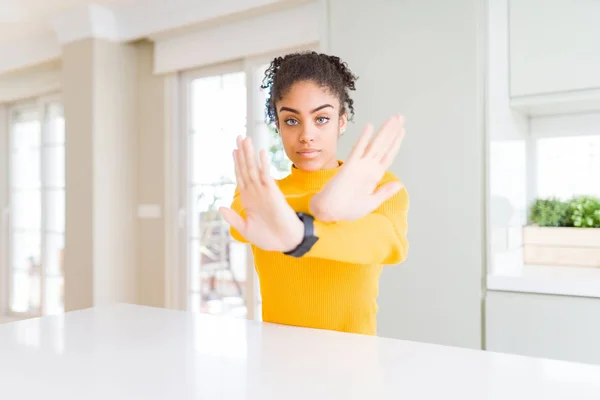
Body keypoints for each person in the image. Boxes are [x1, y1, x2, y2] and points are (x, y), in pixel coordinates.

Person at [219, 51, 409, 336]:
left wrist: (302, 231)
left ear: (341, 121)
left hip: (353, 363)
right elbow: (245, 223)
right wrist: (319, 207)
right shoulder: (258, 189)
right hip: (278, 358)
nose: (306, 135)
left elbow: (388, 244)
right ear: (279, 126)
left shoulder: (377, 186)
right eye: (292, 121)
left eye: (321, 118)